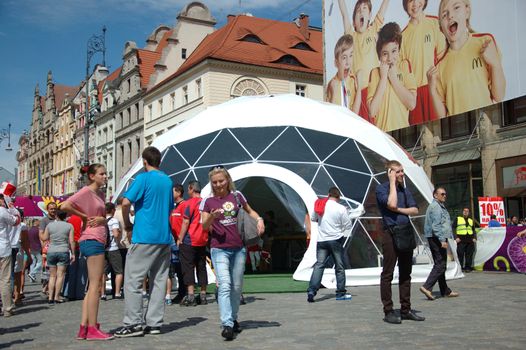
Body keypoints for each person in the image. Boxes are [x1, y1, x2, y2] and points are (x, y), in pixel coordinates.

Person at [114, 147, 173, 338]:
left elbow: (125, 202)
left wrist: (128, 225)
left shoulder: (143, 178)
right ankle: (154, 323)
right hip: (164, 237)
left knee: (133, 281)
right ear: (160, 161)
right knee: (159, 281)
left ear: (144, 162)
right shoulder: (167, 180)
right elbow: (169, 207)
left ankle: (133, 323)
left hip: (144, 235)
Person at [201, 165, 265, 340]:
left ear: (227, 180)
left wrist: (259, 220)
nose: (218, 185)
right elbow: (204, 227)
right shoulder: (207, 201)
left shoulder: (237, 196)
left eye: (221, 181)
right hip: (218, 249)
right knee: (225, 284)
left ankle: (234, 319)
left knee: (236, 288)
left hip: (238, 248)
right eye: (214, 182)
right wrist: (211, 218)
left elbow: (250, 211)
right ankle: (227, 324)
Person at [61, 164, 114, 341]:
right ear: (92, 176)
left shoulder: (100, 194)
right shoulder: (86, 191)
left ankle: (84, 327)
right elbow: (65, 205)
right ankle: (92, 328)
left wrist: (102, 219)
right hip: (92, 239)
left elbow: (100, 216)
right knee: (95, 286)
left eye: (105, 173)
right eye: (102, 174)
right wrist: (83, 216)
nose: (105, 176)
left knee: (92, 286)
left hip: (97, 237)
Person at [427, 0, 506, 118]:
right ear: (441, 28)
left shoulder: (485, 42)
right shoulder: (440, 67)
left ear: (467, 12)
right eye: (444, 14)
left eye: (456, 8)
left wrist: (495, 64)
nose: (450, 16)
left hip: (486, 124)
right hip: (460, 131)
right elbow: (442, 116)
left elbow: (499, 96)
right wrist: (432, 90)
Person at [376, 160, 424, 324]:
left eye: (402, 171)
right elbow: (391, 203)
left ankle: (406, 309)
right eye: (398, 172)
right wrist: (391, 183)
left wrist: (398, 211)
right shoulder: (382, 189)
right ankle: (388, 310)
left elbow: (415, 209)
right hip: (390, 233)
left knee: (406, 273)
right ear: (390, 173)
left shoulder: (405, 189)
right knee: (388, 274)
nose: (402, 174)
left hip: (405, 233)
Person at [338, 0, 390, 122]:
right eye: (358, 10)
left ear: (370, 17)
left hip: (375, 90)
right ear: (354, 22)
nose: (361, 11)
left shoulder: (372, 31)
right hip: (359, 93)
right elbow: (344, 13)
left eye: (365, 8)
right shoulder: (351, 36)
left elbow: (383, 8)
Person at [400, 0, 446, 124]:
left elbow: (443, 58)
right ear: (405, 4)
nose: (415, 4)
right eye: (410, 1)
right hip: (414, 95)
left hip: (434, 89)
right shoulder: (402, 37)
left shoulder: (435, 23)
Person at [367, 22, 417, 132]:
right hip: (383, 135)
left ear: (399, 49)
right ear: (379, 55)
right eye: (385, 54)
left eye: (394, 51)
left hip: (403, 132)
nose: (390, 58)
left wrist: (393, 78)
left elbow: (412, 104)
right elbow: (372, 111)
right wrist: (384, 78)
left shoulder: (404, 65)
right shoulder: (375, 73)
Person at [307, 187, 353, 303]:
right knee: (339, 266)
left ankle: (312, 291)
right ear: (338, 197)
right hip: (336, 240)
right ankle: (340, 293)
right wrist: (339, 227)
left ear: (328, 195)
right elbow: (348, 225)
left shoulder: (320, 205)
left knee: (319, 265)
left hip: (322, 240)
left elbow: (313, 218)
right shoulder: (341, 208)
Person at [420, 187, 459, 301]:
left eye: (445, 194)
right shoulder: (436, 207)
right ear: (435, 195)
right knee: (440, 264)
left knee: (442, 264)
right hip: (437, 238)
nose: (444, 196)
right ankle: (427, 286)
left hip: (436, 237)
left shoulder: (438, 206)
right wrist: (442, 240)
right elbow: (436, 226)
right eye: (442, 194)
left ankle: (445, 290)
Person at [177, 180, 209, 306]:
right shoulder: (206, 202)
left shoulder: (189, 203)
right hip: (203, 239)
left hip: (190, 239)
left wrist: (180, 237)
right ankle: (203, 294)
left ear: (191, 189)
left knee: (188, 266)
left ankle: (190, 295)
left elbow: (185, 222)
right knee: (201, 267)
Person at [40, 209, 74, 304]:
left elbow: (44, 238)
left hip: (51, 251)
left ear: (56, 216)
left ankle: (50, 297)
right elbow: (71, 241)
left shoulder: (50, 225)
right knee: (60, 276)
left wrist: (41, 232)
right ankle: (57, 296)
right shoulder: (69, 226)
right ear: (65, 216)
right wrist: (73, 253)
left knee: (52, 276)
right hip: (63, 250)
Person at [326, 34, 363, 114]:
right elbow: (330, 114)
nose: (348, 62)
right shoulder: (332, 84)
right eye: (344, 57)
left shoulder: (353, 81)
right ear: (336, 63)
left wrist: (359, 86)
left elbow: (355, 113)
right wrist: (333, 95)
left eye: (351, 56)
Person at [0, 194, 20, 317]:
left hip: (4, 248)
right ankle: (7, 308)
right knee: (5, 280)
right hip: (3, 248)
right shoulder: (2, 211)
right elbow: (16, 221)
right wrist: (13, 209)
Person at [168, 183, 186, 305]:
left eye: (172, 191)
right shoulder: (173, 207)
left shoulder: (184, 205)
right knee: (175, 268)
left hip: (181, 241)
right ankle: (181, 292)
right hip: (173, 241)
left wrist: (181, 238)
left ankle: (183, 292)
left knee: (182, 268)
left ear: (179, 192)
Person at [104, 202, 124, 299]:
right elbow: (116, 235)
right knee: (119, 271)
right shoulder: (114, 221)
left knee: (103, 272)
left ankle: (102, 293)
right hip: (113, 248)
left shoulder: (102, 221)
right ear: (112, 210)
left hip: (103, 249)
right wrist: (119, 232)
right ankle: (117, 293)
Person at [453, 207, 477, 272]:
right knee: (460, 254)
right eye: (464, 211)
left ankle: (468, 268)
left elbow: (473, 230)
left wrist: (474, 237)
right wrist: (456, 237)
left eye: (467, 211)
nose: (465, 212)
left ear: (469, 213)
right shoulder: (458, 219)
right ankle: (460, 268)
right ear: (462, 212)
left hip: (470, 240)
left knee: (469, 255)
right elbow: (453, 228)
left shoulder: (471, 220)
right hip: (461, 240)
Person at [27, 219, 42, 283]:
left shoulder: (29, 230)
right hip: (37, 247)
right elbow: (40, 239)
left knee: (33, 262)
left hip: (31, 247)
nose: (39, 222)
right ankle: (32, 273)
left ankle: (32, 278)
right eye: (39, 221)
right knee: (40, 262)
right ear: (36, 222)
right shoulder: (38, 230)